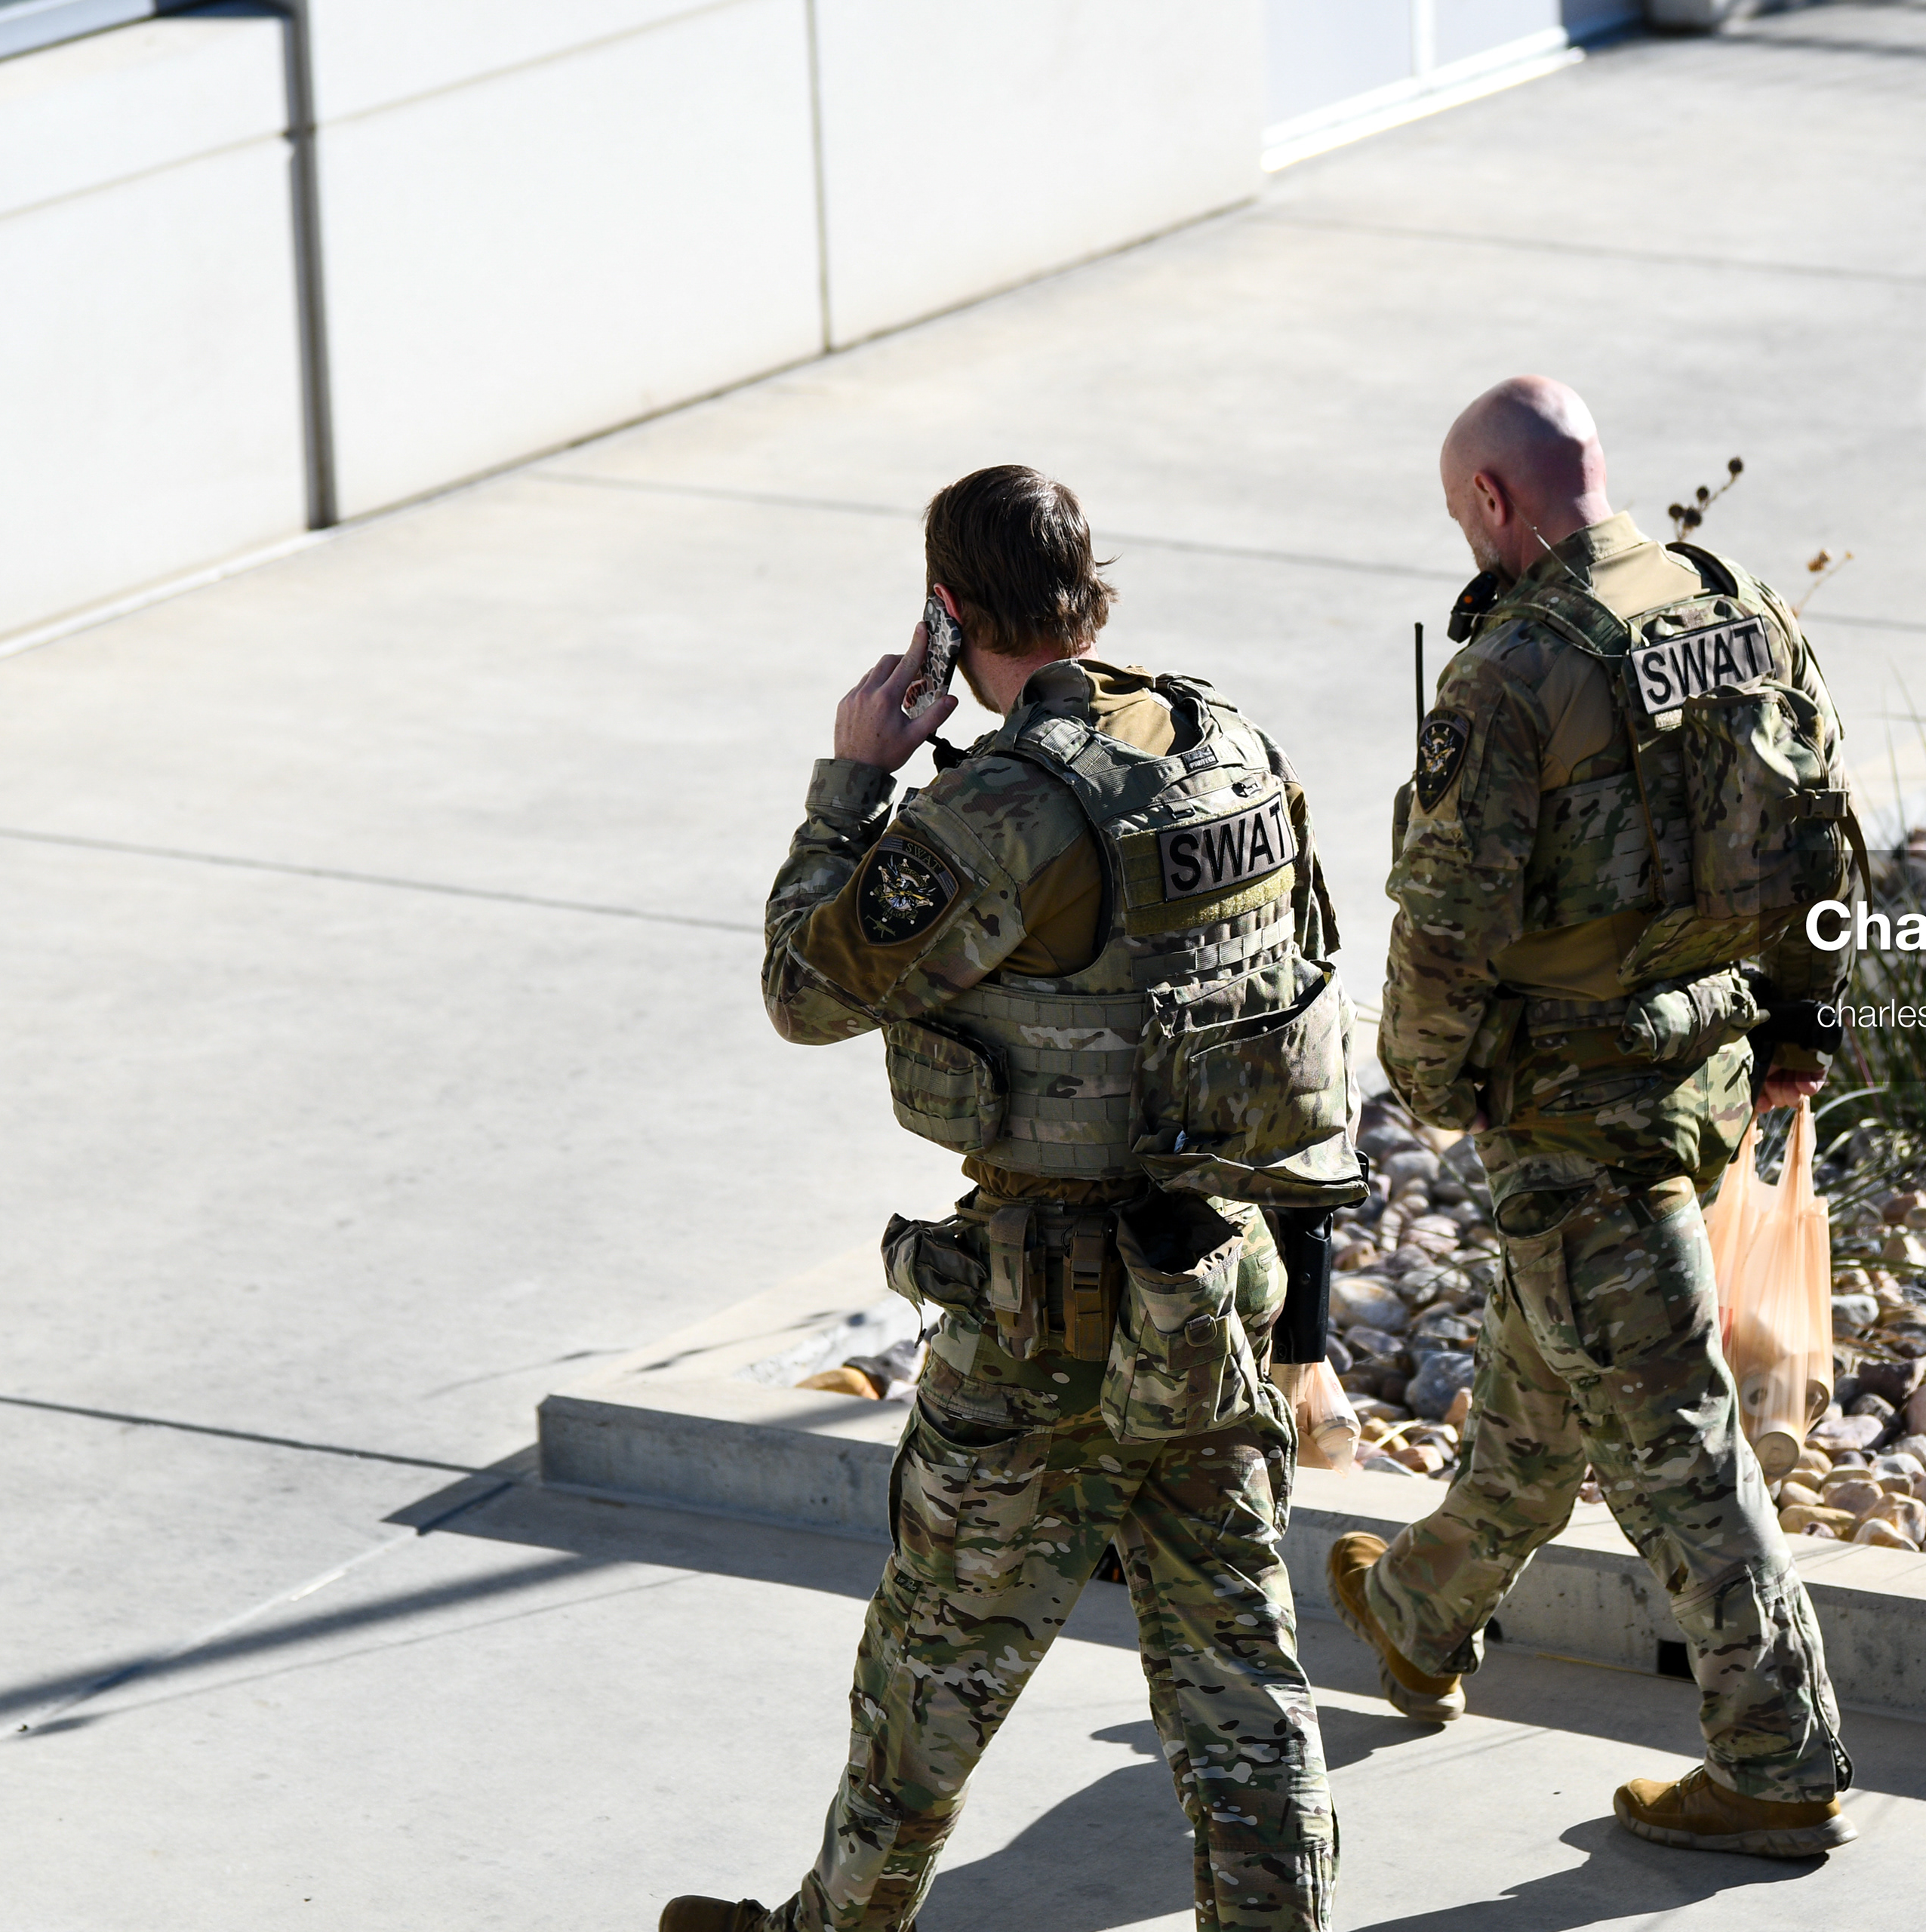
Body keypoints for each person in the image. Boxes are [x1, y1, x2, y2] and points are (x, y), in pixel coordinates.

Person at [662, 466, 1352, 1932]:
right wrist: (1308, 1320)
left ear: (947, 609)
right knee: (1239, 1673)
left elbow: (807, 986)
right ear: (1094, 591)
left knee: (932, 1668)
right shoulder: (1224, 744)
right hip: (1214, 1282)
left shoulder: (999, 806)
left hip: (1044, 1319)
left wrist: (855, 773)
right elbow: (1301, 1019)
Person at [1326, 377, 1861, 1858]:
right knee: (1550, 1365)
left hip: (1572, 1108)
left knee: (1673, 1439)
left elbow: (1443, 924)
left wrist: (1431, 1088)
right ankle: (1425, 1608)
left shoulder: (1509, 673)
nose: (1467, 543)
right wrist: (1801, 1016)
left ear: (1494, 502)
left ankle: (1778, 1759)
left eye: (1460, 516)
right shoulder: (1731, 599)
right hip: (1704, 1062)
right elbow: (1824, 824)